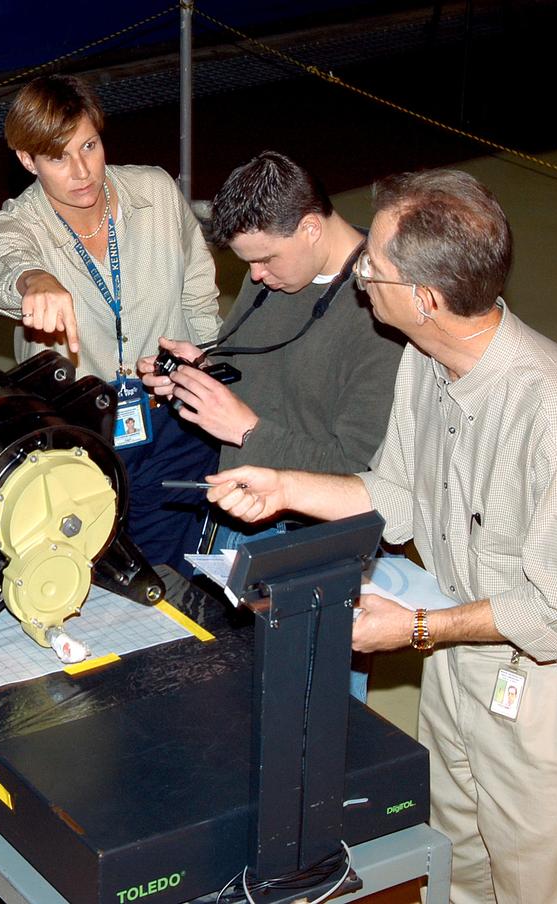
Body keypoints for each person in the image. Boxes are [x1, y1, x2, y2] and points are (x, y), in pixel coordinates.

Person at [207, 169, 557, 904]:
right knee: (458, 869)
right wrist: (284, 486)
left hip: (556, 686)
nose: (360, 277)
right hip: (463, 650)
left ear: (426, 298)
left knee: (547, 885)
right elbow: (401, 498)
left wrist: (415, 630)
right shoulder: (427, 361)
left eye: (374, 265)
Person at [139, 151, 403, 700]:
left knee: (313, 716)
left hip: (311, 546)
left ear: (310, 227)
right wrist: (202, 373)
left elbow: (365, 476)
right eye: (248, 263)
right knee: (235, 702)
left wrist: (246, 431)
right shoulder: (281, 271)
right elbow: (266, 369)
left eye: (264, 261)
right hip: (244, 519)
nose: (255, 276)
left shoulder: (380, 314)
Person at [0, 74, 222, 572]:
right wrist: (33, 280)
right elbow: (2, 263)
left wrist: (208, 374)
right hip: (78, 437)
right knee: (83, 570)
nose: (82, 170)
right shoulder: (17, 224)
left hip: (173, 420)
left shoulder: (155, 192)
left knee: (171, 570)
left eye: (88, 146)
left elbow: (198, 293)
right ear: (28, 161)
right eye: (57, 157)